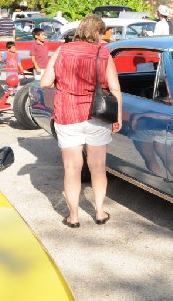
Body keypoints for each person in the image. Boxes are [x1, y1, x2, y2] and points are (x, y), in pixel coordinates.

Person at [40, 14, 122, 228]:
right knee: (97, 166)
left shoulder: (61, 51)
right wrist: (118, 116)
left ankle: (74, 216)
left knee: (71, 168)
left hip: (67, 115)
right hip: (98, 115)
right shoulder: (103, 53)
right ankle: (99, 212)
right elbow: (114, 88)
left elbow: (46, 82)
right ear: (96, 33)